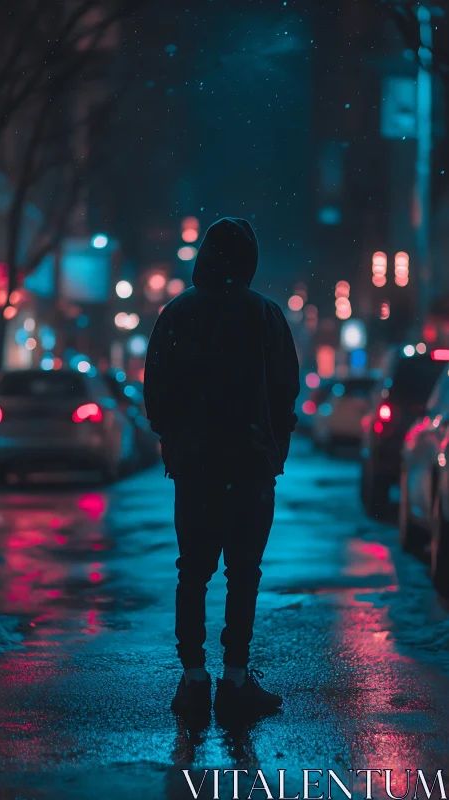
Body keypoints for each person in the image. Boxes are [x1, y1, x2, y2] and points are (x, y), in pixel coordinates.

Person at [144, 217, 300, 723]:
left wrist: (175, 440)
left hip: (195, 470)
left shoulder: (176, 314)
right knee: (243, 575)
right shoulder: (266, 316)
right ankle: (235, 680)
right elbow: (285, 389)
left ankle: (193, 680)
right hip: (250, 468)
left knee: (193, 573)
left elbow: (156, 389)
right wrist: (274, 448)